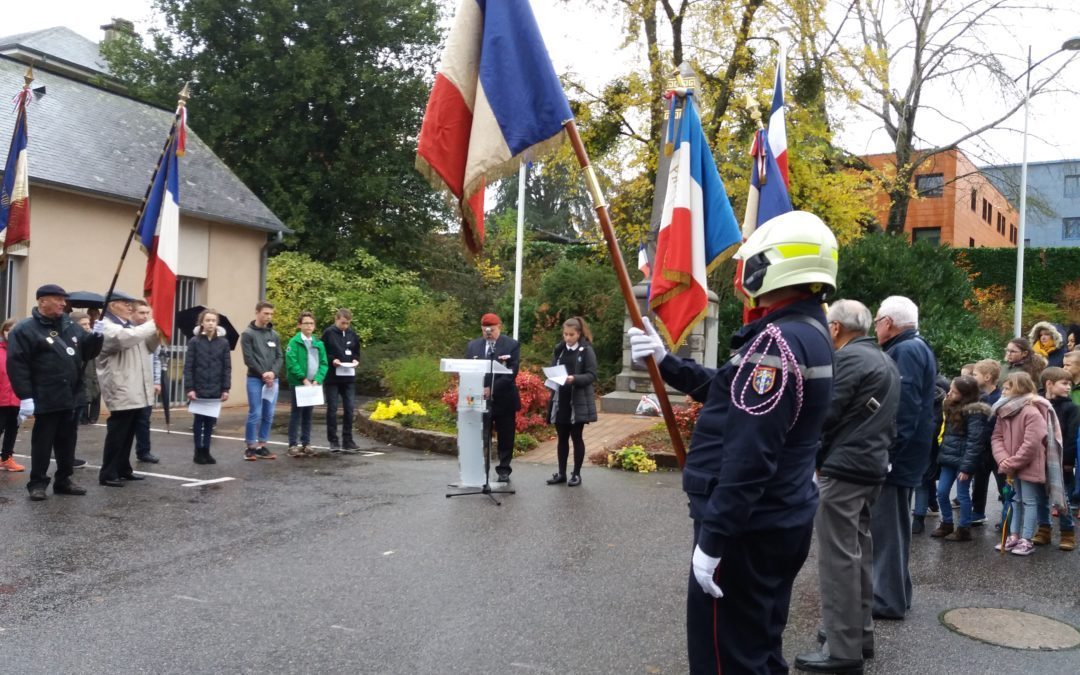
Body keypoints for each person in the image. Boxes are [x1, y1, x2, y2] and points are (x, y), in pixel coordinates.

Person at [630, 211, 836, 674]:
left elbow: (749, 456)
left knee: (725, 660)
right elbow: (729, 390)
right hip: (779, 518)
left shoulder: (777, 343)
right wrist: (667, 361)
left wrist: (715, 539)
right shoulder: (810, 332)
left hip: (747, 530)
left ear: (771, 266)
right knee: (759, 648)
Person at [794, 299, 899, 675]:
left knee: (838, 559)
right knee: (857, 552)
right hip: (868, 467)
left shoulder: (851, 359)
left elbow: (824, 413)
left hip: (845, 469)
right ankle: (859, 635)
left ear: (835, 328)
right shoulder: (882, 358)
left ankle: (842, 649)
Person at [870, 295, 937, 621]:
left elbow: (903, 409)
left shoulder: (905, 351)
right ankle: (897, 593)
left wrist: (888, 454)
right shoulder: (914, 347)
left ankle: (887, 600)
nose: (876, 326)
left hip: (899, 457)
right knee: (894, 530)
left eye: (877, 320)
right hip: (908, 455)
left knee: (888, 532)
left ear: (888, 323)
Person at [7, 285, 103, 500]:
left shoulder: (69, 325)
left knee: (67, 441)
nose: (63, 303)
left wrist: (96, 337)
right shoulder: (25, 330)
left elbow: (87, 353)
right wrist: (25, 396)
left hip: (71, 394)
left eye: (64, 300)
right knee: (43, 441)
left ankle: (64, 479)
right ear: (42, 301)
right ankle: (38, 482)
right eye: (58, 299)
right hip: (46, 394)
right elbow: (17, 365)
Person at [96, 293, 159, 487]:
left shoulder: (130, 326)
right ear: (113, 305)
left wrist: (158, 332)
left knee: (129, 432)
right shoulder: (106, 325)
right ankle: (108, 473)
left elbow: (148, 347)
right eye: (126, 304)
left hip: (134, 387)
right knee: (118, 432)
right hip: (121, 386)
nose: (130, 307)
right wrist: (153, 323)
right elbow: (124, 339)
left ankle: (123, 468)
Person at [991, 372, 1055, 556]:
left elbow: (1032, 443)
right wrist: (1003, 459)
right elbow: (996, 437)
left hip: (1027, 465)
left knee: (1029, 501)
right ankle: (1014, 535)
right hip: (1011, 465)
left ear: (1020, 388)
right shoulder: (1003, 412)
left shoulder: (1032, 412)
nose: (1003, 390)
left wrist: (1011, 462)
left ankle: (1027, 539)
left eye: (1007, 387)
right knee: (1014, 500)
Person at [929, 376, 991, 542]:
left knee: (962, 494)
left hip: (964, 461)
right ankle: (947, 523)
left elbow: (975, 441)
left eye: (954, 392)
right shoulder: (951, 406)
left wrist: (966, 467)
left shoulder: (975, 412)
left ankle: (964, 528)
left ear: (965, 394)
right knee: (941, 492)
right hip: (949, 458)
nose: (949, 393)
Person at [465, 313, 520, 482]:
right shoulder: (473, 346)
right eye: (485, 330)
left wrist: (492, 389)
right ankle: (481, 468)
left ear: (499, 327)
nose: (489, 333)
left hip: (504, 398)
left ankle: (504, 469)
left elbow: (511, 372)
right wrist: (476, 388)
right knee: (482, 435)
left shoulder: (511, 345)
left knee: (506, 436)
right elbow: (469, 369)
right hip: (480, 398)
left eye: (492, 330)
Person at [545, 316, 598, 487]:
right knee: (561, 438)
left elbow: (591, 375)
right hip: (561, 399)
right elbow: (554, 368)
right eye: (565, 334)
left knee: (576, 437)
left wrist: (574, 378)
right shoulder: (559, 350)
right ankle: (561, 473)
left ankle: (576, 474)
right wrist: (551, 378)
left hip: (577, 400)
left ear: (579, 333)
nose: (567, 338)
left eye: (571, 335)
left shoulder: (586, 350)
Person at [1032, 366, 1076, 551]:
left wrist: (1067, 461)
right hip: (1039, 458)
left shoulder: (1071, 408)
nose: (1068, 388)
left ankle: (1067, 532)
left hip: (1059, 460)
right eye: (1064, 383)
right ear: (1049, 384)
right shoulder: (1036, 404)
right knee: (1040, 495)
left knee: (1062, 497)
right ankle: (1044, 528)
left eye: (1070, 384)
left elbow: (1071, 437)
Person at [184, 309, 232, 465]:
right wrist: (190, 388)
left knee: (210, 422)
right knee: (198, 421)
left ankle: (207, 450)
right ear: (202, 323)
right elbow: (189, 366)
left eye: (213, 320)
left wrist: (225, 389)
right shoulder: (194, 342)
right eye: (207, 320)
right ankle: (198, 451)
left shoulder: (223, 343)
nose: (210, 323)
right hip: (198, 387)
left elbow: (226, 367)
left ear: (217, 323)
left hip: (216, 388)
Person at [241, 301, 283, 461]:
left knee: (268, 413)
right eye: (266, 313)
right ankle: (250, 447)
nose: (269, 316)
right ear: (257, 312)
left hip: (273, 380)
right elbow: (249, 358)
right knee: (255, 412)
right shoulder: (248, 334)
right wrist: (263, 374)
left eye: (271, 314)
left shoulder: (275, 335)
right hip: (255, 379)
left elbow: (279, 356)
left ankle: (262, 445)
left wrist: (273, 373)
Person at [285, 311, 328, 457]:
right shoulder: (294, 342)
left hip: (313, 384)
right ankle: (292, 444)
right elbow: (292, 362)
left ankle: (306, 443)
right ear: (299, 325)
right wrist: (303, 379)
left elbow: (324, 363)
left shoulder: (318, 344)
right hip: (299, 383)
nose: (309, 326)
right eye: (306, 323)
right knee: (296, 413)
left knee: (308, 414)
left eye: (311, 323)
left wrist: (317, 379)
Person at [321, 308, 360, 453]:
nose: (345, 326)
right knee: (332, 409)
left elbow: (356, 352)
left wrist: (356, 360)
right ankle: (333, 440)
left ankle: (348, 440)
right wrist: (333, 360)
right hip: (333, 378)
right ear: (336, 319)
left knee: (349, 408)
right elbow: (323, 352)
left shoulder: (352, 334)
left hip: (348, 377)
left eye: (348, 323)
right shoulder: (328, 333)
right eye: (343, 323)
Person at [970, 359, 1004, 526]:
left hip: (997, 449)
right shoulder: (977, 397)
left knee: (1002, 482)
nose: (972, 377)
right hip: (982, 448)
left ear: (987, 377)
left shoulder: (1000, 398)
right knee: (979, 481)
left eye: (975, 374)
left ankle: (1008, 515)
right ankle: (977, 511)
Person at [131, 299, 162, 463]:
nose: (144, 316)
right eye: (141, 313)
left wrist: (157, 381)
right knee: (128, 423)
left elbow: (156, 359)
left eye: (146, 313)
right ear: (133, 313)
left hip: (147, 383)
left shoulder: (151, 332)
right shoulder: (128, 332)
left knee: (144, 420)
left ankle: (144, 451)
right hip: (131, 383)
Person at [0, 318, 25, 472]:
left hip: (17, 398)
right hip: (1, 399)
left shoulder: (23, 352)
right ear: (3, 331)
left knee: (12, 429)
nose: (11, 332)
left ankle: (6, 458)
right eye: (8, 329)